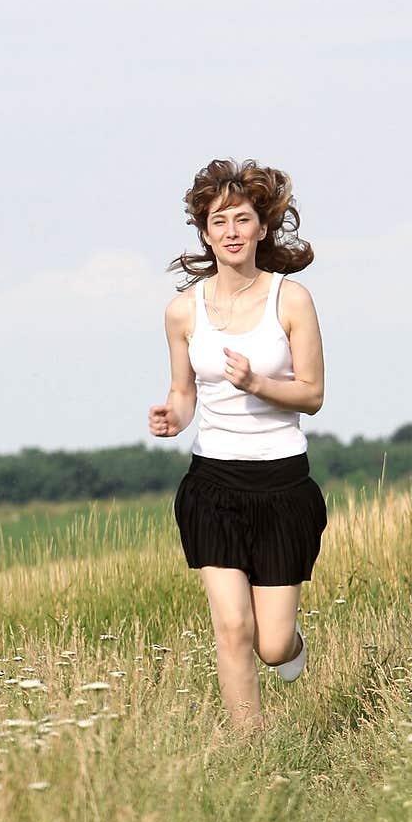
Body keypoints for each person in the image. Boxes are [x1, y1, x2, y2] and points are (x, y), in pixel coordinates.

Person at [148, 158, 328, 733]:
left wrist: (257, 384)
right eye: (219, 219)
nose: (231, 230)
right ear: (204, 231)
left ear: (262, 228)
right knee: (233, 629)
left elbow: (313, 394)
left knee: (271, 645)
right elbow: (183, 395)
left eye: (242, 218)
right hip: (214, 485)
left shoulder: (290, 300)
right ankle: (250, 749)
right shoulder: (183, 311)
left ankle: (293, 645)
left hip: (281, 485)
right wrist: (171, 418)